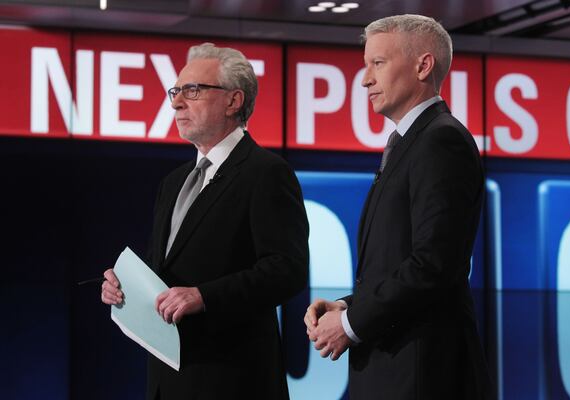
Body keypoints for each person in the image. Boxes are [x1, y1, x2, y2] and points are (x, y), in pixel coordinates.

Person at [101, 43, 309, 400]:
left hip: (232, 380)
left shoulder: (266, 173)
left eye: (193, 91)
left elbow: (286, 270)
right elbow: (163, 272)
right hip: (170, 380)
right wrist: (125, 289)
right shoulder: (173, 181)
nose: (178, 102)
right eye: (176, 91)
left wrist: (205, 296)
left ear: (234, 101)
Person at [304, 14, 494, 399]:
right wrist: (346, 306)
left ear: (423, 65)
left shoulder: (442, 142)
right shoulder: (414, 142)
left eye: (378, 63)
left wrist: (352, 323)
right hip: (397, 368)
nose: (365, 79)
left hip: (422, 374)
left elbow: (433, 265)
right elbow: (400, 262)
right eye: (366, 65)